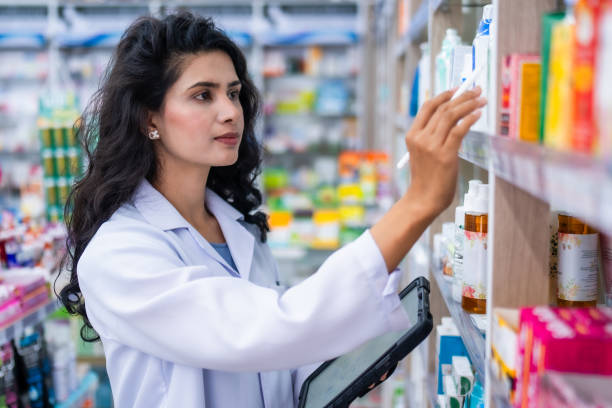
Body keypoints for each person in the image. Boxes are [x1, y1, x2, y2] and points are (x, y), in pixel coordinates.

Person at [58, 11, 486, 408]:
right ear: (148, 119)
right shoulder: (120, 254)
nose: (230, 112)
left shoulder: (234, 226)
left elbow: (277, 358)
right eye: (202, 95)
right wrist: (419, 203)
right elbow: (260, 331)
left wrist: (339, 367)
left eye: (233, 93)